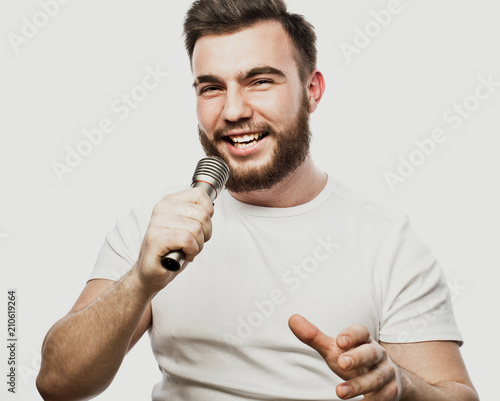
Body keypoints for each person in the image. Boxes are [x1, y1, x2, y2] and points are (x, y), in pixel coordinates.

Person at [36, 0, 479, 400]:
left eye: (259, 81)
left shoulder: (388, 243)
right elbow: (56, 383)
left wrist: (401, 388)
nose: (233, 111)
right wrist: (140, 282)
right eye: (211, 88)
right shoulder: (157, 227)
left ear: (312, 90)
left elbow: (456, 394)